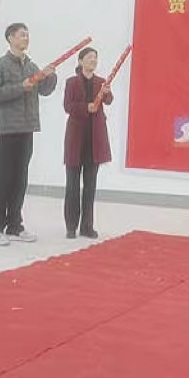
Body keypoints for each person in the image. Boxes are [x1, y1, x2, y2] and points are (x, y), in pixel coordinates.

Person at [0, 23, 57, 245]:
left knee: (20, 179)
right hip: (6, 129)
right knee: (2, 178)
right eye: (22, 35)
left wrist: (50, 77)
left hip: (26, 128)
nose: (26, 38)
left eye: (27, 35)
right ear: (10, 38)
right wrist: (19, 87)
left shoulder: (31, 66)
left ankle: (15, 226)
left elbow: (44, 90)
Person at [62, 47, 113, 239]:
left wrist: (107, 92)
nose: (93, 60)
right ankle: (71, 226)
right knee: (72, 186)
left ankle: (87, 226)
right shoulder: (72, 82)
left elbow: (109, 100)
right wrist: (86, 107)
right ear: (80, 61)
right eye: (90, 57)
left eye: (95, 58)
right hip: (76, 139)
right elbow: (68, 106)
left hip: (95, 140)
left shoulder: (101, 82)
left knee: (90, 187)